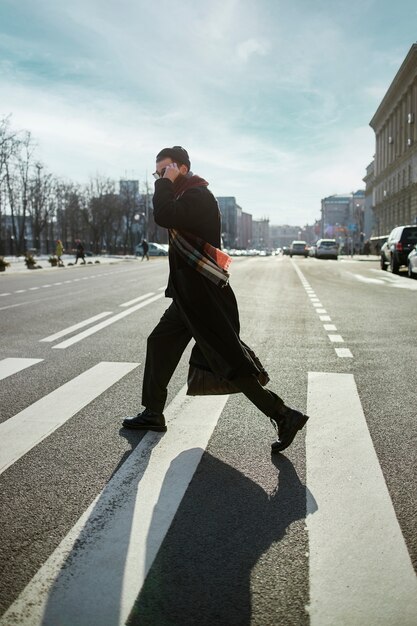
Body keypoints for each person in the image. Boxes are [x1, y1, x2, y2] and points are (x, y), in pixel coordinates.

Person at [123, 146, 309, 453]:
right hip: (188, 296)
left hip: (204, 297)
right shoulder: (183, 196)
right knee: (159, 343)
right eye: (157, 172)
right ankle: (153, 412)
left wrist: (164, 184)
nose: (161, 176)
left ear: (182, 168)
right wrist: (166, 184)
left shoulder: (198, 196)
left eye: (166, 169)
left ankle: (283, 415)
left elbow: (163, 215)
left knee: (228, 360)